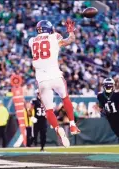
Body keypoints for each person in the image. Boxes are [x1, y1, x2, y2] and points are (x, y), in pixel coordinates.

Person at [28, 19, 80, 147]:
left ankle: (57, 129)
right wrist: (71, 32)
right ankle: (72, 125)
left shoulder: (31, 41)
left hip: (42, 80)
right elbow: (69, 40)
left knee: (49, 110)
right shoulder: (55, 36)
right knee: (65, 98)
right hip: (55, 76)